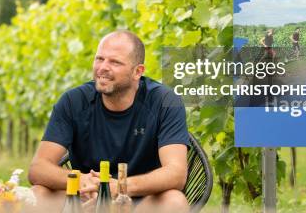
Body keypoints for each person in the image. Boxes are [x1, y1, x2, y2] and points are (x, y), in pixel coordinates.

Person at [28, 31, 189, 212]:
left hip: (140, 202)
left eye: (115, 62)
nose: (103, 67)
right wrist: (85, 181)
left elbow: (176, 173)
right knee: (37, 195)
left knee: (174, 201)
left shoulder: (165, 102)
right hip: (85, 198)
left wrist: (118, 187)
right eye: (100, 59)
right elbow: (38, 168)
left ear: (138, 72)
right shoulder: (73, 101)